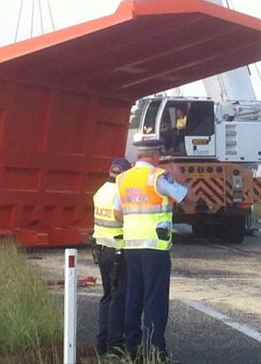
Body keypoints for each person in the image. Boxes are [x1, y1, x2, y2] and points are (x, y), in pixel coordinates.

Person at [115, 138, 195, 362]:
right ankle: (155, 352)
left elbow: (118, 213)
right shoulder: (159, 177)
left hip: (132, 245)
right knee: (155, 301)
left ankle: (131, 349)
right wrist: (179, 177)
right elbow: (188, 198)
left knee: (133, 298)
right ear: (156, 155)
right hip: (155, 248)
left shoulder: (123, 178)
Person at [93, 157, 132, 357]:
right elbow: (123, 218)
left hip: (102, 249)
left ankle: (102, 341)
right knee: (119, 297)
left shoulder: (100, 191)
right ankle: (114, 345)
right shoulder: (121, 192)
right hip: (118, 250)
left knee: (107, 296)